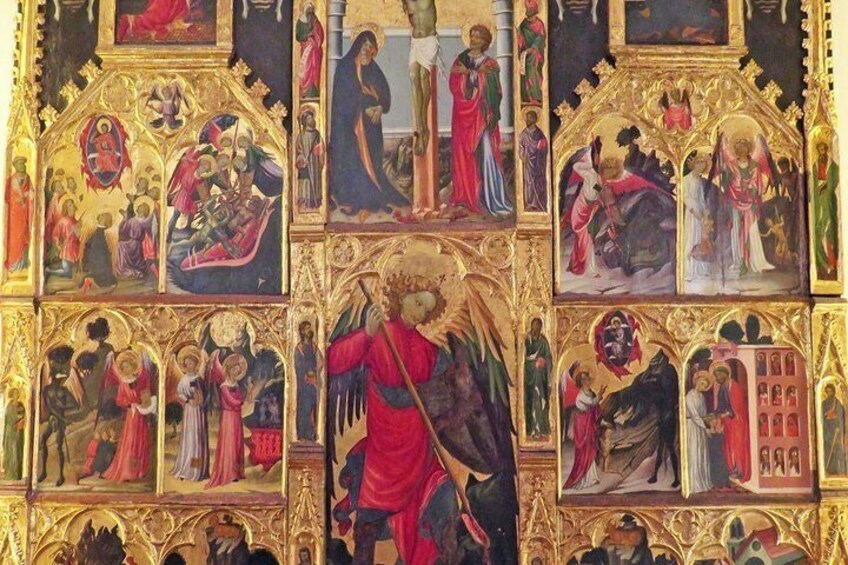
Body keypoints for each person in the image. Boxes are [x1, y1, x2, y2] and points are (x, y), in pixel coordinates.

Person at [327, 276, 453, 563]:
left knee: (441, 504)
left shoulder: (432, 352)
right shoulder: (379, 335)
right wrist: (366, 334)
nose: (420, 312)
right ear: (401, 296)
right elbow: (333, 361)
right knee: (367, 530)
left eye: (427, 309)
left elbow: (445, 394)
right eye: (417, 302)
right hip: (384, 456)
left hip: (419, 453)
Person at [329, 30, 409, 219]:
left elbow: (385, 96)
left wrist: (380, 107)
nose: (366, 50)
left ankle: (371, 197)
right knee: (353, 160)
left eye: (370, 47)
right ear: (357, 46)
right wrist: (363, 108)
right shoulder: (345, 68)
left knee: (372, 161)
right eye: (364, 46)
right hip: (349, 127)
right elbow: (343, 97)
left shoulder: (374, 69)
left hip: (371, 127)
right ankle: (352, 200)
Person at [449, 24, 513, 217]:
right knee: (464, 155)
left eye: (478, 37)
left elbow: (495, 90)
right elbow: (454, 85)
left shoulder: (491, 64)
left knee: (487, 153)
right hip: (463, 115)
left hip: (483, 115)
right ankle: (467, 197)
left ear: (485, 41)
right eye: (472, 35)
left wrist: (471, 74)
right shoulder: (460, 60)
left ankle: (492, 198)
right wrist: (470, 75)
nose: (473, 39)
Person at [715, 135, 775, 276]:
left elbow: (757, 184)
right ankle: (739, 260)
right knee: (736, 230)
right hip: (735, 202)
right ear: (736, 150)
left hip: (749, 202)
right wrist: (726, 176)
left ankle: (754, 260)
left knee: (751, 230)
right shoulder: (731, 165)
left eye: (744, 147)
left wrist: (748, 188)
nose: (742, 150)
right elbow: (728, 184)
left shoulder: (754, 165)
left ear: (748, 149)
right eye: (739, 148)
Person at [207, 354, 259, 489]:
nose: (237, 372)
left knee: (236, 443)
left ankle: (236, 473)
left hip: (236, 418)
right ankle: (227, 473)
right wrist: (242, 402)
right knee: (229, 444)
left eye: (238, 370)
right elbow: (231, 401)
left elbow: (242, 399)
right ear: (229, 369)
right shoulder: (224, 386)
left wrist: (249, 391)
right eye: (235, 369)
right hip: (228, 418)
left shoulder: (236, 385)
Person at [102, 351, 154, 482]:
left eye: (128, 366)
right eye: (124, 367)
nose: (127, 369)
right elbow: (120, 399)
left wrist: (143, 402)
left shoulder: (141, 378)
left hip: (141, 414)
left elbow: (146, 394)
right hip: (131, 415)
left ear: (133, 365)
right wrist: (130, 404)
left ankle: (140, 470)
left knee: (141, 440)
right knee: (130, 441)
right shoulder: (123, 382)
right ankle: (128, 471)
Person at [38, 346, 80, 487]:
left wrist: (63, 407)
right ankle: (43, 472)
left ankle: (61, 475)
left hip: (59, 420)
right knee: (43, 440)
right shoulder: (47, 390)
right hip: (55, 419)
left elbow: (75, 405)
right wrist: (60, 416)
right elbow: (49, 407)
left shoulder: (63, 391)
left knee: (59, 446)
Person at [402, 0, 439, 157]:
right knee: (413, 76)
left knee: (424, 76)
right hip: (415, 42)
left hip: (429, 40)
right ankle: (420, 126)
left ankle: (423, 126)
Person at [563, 365, 605, 490]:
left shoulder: (590, 392)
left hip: (588, 424)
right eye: (583, 379)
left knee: (591, 449)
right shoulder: (580, 396)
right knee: (584, 451)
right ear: (580, 382)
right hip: (582, 426)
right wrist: (600, 395)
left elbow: (594, 406)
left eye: (587, 378)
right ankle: (582, 480)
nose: (586, 381)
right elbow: (592, 403)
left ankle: (592, 477)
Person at [171, 346, 210, 482]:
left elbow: (203, 394)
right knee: (189, 438)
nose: (188, 366)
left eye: (191, 363)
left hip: (198, 412)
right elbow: (180, 394)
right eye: (186, 364)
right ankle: (187, 468)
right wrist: (188, 400)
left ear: (196, 364)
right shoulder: (184, 379)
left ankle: (197, 470)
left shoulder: (198, 379)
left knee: (198, 439)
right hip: (189, 411)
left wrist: (198, 398)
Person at [712, 361, 750, 483]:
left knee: (737, 446)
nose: (717, 378)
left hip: (737, 422)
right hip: (728, 422)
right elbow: (721, 405)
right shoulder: (722, 388)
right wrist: (716, 414)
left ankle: (740, 470)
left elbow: (737, 407)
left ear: (725, 374)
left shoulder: (735, 387)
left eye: (719, 375)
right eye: (716, 376)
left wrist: (727, 413)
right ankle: (733, 468)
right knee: (729, 446)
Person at [813, 141, 839, 279]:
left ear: (827, 150)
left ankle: (832, 263)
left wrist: (826, 187)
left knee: (829, 229)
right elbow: (813, 183)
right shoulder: (815, 165)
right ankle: (822, 264)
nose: (821, 152)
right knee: (819, 230)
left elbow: (833, 181)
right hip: (818, 202)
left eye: (823, 149)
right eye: (820, 150)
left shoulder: (833, 166)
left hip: (828, 201)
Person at [683, 152, 712, 279]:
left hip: (699, 211)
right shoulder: (686, 179)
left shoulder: (699, 181)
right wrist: (693, 211)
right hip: (692, 213)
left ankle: (700, 268)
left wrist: (705, 211)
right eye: (699, 163)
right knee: (691, 239)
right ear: (694, 164)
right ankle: (689, 270)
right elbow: (685, 196)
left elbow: (701, 198)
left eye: (703, 165)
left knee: (700, 240)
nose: (700, 166)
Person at [4, 156, 32, 273]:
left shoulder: (28, 178)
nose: (22, 165)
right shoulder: (11, 180)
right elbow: (7, 197)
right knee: (15, 237)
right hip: (15, 214)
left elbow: (32, 192)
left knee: (23, 236)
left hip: (25, 213)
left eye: (23, 163)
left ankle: (22, 262)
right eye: (20, 163)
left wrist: (27, 196)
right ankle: (13, 263)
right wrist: (18, 199)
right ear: (15, 166)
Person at [524, 318, 552, 438]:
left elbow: (549, 358)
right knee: (530, 402)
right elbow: (523, 358)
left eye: (538, 327)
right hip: (529, 378)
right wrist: (533, 362)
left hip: (540, 380)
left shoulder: (543, 342)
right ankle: (531, 429)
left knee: (540, 402)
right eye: (534, 326)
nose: (536, 329)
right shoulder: (527, 340)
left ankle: (541, 429)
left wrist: (543, 361)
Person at [295, 321, 322, 442]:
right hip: (304, 384)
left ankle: (313, 434)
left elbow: (320, 361)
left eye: (310, 328)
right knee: (304, 409)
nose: (309, 331)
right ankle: (303, 435)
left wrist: (315, 372)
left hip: (314, 383)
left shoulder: (314, 347)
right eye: (307, 329)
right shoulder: (299, 348)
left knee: (313, 408)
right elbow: (298, 366)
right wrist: (306, 375)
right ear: (302, 331)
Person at [116, 198, 156, 279]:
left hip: (133, 244)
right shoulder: (144, 221)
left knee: (121, 246)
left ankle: (125, 268)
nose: (138, 208)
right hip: (137, 245)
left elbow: (123, 230)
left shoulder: (133, 221)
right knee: (122, 245)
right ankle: (135, 268)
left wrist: (124, 219)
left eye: (140, 208)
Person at [686, 371, 713, 494]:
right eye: (702, 383)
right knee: (694, 452)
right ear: (696, 381)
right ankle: (693, 484)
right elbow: (694, 415)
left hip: (700, 427)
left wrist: (709, 420)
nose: (702, 387)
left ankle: (702, 482)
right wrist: (705, 427)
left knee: (701, 453)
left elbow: (703, 414)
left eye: (705, 386)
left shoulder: (701, 397)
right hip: (692, 426)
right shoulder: (689, 396)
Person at [517, 0, 546, 105]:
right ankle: (526, 95)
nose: (528, 11)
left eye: (531, 10)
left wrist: (533, 48)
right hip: (525, 52)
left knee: (532, 66)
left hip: (535, 53)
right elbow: (520, 38)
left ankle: (535, 95)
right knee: (523, 69)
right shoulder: (523, 24)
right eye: (527, 9)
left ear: (535, 11)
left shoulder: (539, 24)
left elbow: (540, 38)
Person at [519, 110, 549, 213]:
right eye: (526, 118)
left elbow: (544, 147)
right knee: (528, 183)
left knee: (538, 183)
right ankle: (530, 204)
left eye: (529, 118)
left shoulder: (539, 134)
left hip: (538, 163)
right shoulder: (524, 134)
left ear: (534, 120)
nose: (527, 120)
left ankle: (538, 204)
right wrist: (522, 154)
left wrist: (540, 150)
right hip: (528, 163)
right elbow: (521, 147)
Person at [296, 108, 324, 212]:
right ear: (305, 121)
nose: (312, 120)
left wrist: (319, 151)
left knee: (316, 182)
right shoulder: (301, 135)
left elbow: (321, 147)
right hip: (306, 164)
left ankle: (315, 202)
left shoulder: (317, 134)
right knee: (305, 183)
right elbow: (298, 150)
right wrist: (302, 159)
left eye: (312, 118)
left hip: (315, 163)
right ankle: (305, 202)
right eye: (309, 118)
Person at [81, 212, 118, 293]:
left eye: (103, 217)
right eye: (101, 216)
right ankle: (90, 281)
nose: (101, 217)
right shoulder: (98, 231)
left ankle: (90, 281)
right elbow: (89, 245)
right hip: (97, 258)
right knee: (106, 278)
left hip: (98, 258)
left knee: (106, 276)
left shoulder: (101, 232)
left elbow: (89, 245)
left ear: (106, 220)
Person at [46, 199, 81, 279]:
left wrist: (78, 229)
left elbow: (79, 236)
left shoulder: (76, 222)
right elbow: (55, 234)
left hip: (76, 249)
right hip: (67, 249)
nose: (72, 206)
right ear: (66, 208)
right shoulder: (63, 221)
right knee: (67, 272)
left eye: (72, 204)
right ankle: (49, 271)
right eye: (70, 205)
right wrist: (58, 244)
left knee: (75, 272)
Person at [296, 1, 324, 99]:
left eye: (311, 10)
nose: (310, 12)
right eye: (308, 10)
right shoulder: (300, 22)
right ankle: (304, 93)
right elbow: (298, 36)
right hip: (306, 50)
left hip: (315, 51)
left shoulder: (316, 22)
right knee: (306, 70)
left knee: (314, 70)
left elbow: (320, 35)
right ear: (304, 10)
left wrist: (315, 38)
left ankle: (314, 93)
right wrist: (308, 36)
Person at [823, 383, 846, 475]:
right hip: (827, 430)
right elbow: (822, 417)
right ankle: (829, 469)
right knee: (828, 449)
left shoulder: (837, 403)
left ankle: (840, 469)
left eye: (830, 391)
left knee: (837, 449)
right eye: (827, 392)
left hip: (836, 430)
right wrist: (827, 417)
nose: (829, 393)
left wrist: (839, 427)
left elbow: (841, 417)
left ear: (834, 392)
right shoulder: (824, 403)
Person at [2, 388, 25, 480]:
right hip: (9, 432)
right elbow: (6, 419)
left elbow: (22, 418)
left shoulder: (20, 405)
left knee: (16, 452)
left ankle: (16, 475)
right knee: (9, 452)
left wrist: (18, 424)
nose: (16, 395)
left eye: (17, 393)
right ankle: (8, 474)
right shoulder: (9, 405)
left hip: (17, 432)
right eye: (14, 393)